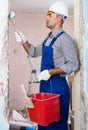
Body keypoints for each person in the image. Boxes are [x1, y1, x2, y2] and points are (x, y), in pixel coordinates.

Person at [15, 1, 79, 130]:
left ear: (59, 18)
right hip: (45, 87)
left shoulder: (65, 40)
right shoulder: (48, 38)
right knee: (43, 121)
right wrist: (24, 41)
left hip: (57, 88)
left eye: (50, 15)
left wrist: (49, 72)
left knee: (56, 124)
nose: (46, 17)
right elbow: (33, 52)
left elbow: (73, 64)